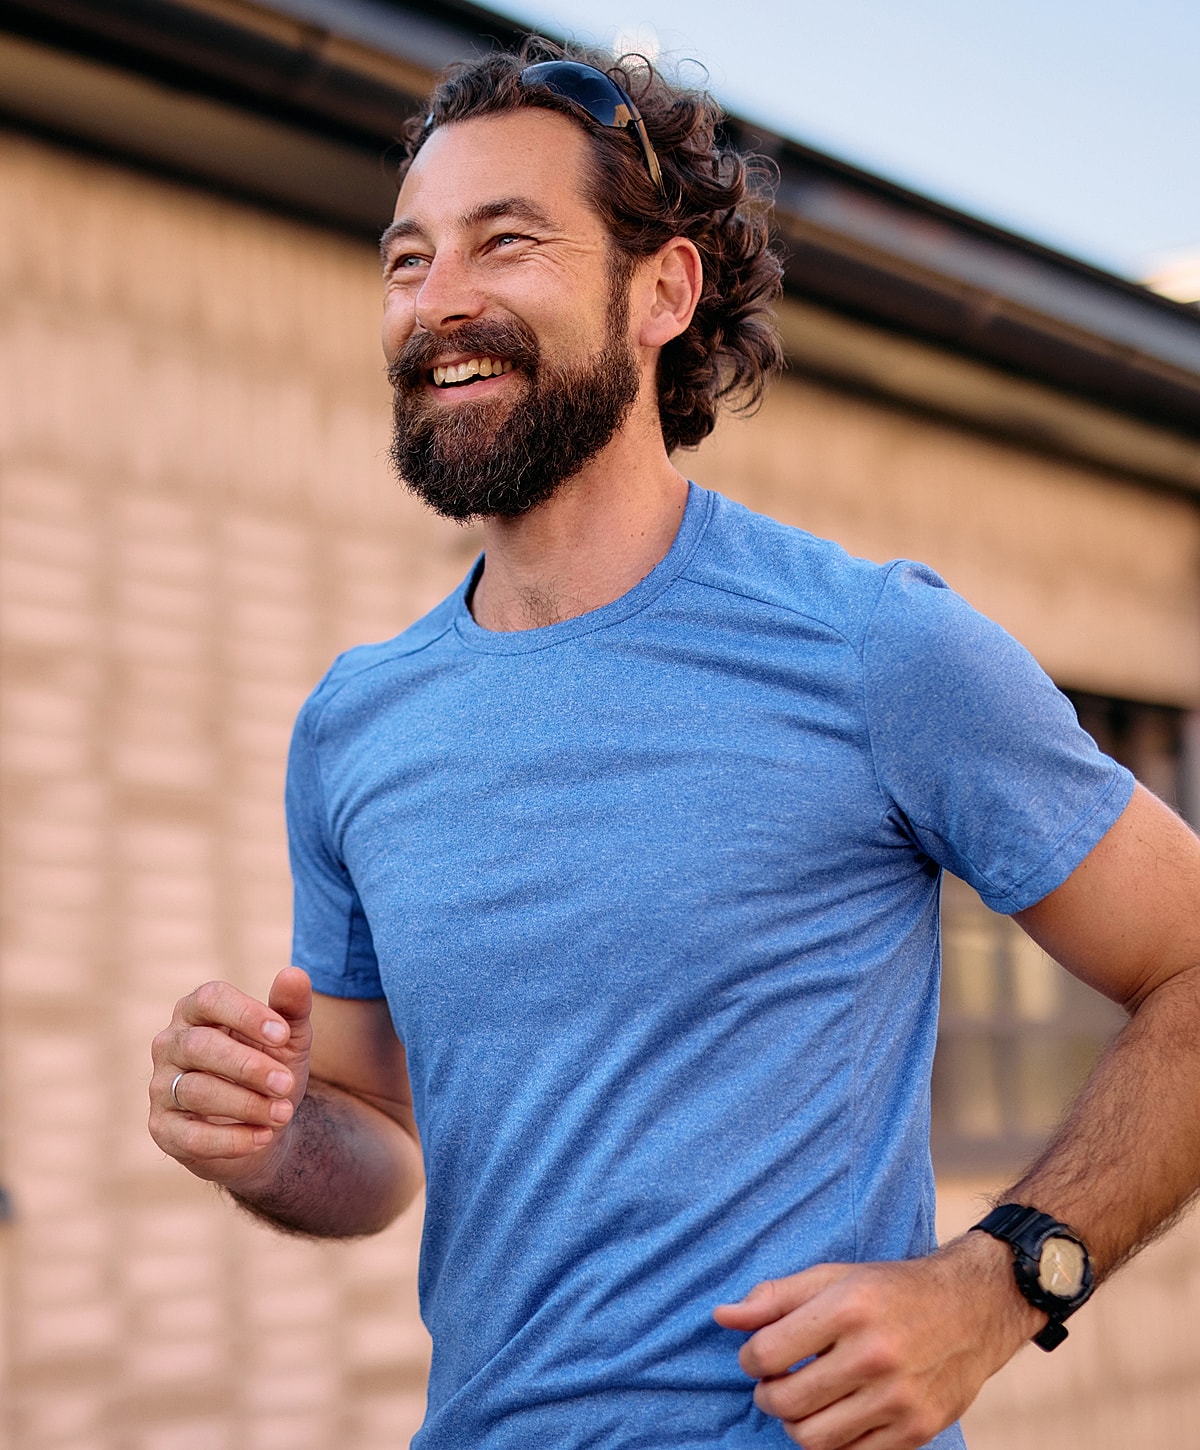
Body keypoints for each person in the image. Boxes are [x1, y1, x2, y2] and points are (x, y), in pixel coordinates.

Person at [148, 39, 1200, 1450]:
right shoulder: (355, 721)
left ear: (664, 291)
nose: (438, 301)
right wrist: (273, 1140)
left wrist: (1002, 1280)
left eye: (504, 242)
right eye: (407, 260)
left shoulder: (878, 649)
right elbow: (376, 1135)